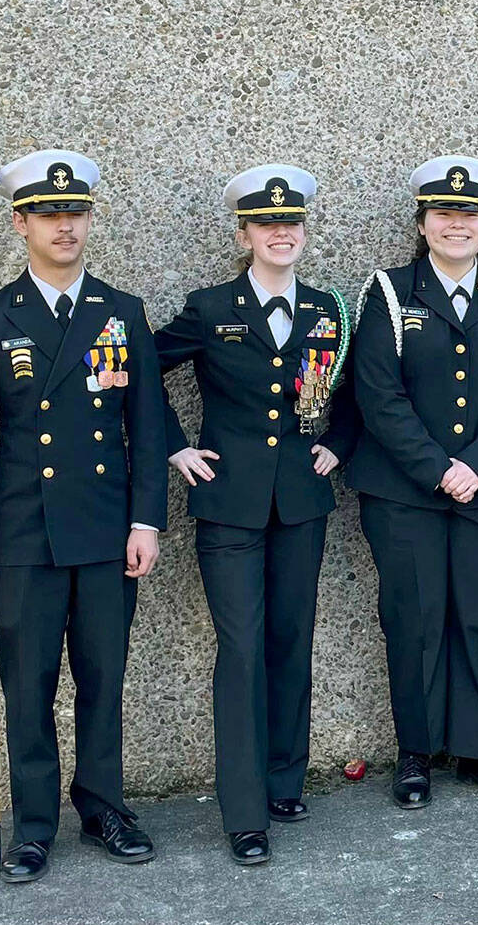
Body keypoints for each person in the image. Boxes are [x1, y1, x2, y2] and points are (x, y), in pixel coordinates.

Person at [0, 150, 166, 883]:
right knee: (28, 683)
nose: (65, 226)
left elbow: (149, 426)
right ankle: (34, 825)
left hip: (104, 529)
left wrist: (147, 521)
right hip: (26, 533)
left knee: (104, 678)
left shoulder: (122, 312)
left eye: (76, 212)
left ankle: (103, 807)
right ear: (21, 223)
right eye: (49, 214)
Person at [154, 164, 357, 866]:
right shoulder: (210, 308)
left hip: (301, 499)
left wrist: (337, 445)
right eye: (267, 224)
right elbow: (135, 370)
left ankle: (282, 779)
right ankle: (243, 811)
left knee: (291, 640)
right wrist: (176, 448)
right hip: (230, 503)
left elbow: (356, 391)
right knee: (242, 649)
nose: (281, 233)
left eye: (291, 223)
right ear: (244, 233)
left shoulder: (328, 308)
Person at [347, 156, 478, 808]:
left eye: (470, 215)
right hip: (405, 494)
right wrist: (438, 469)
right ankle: (415, 754)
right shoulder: (390, 292)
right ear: (423, 224)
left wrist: (475, 466)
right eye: (445, 214)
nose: (458, 225)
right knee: (416, 618)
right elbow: (379, 396)